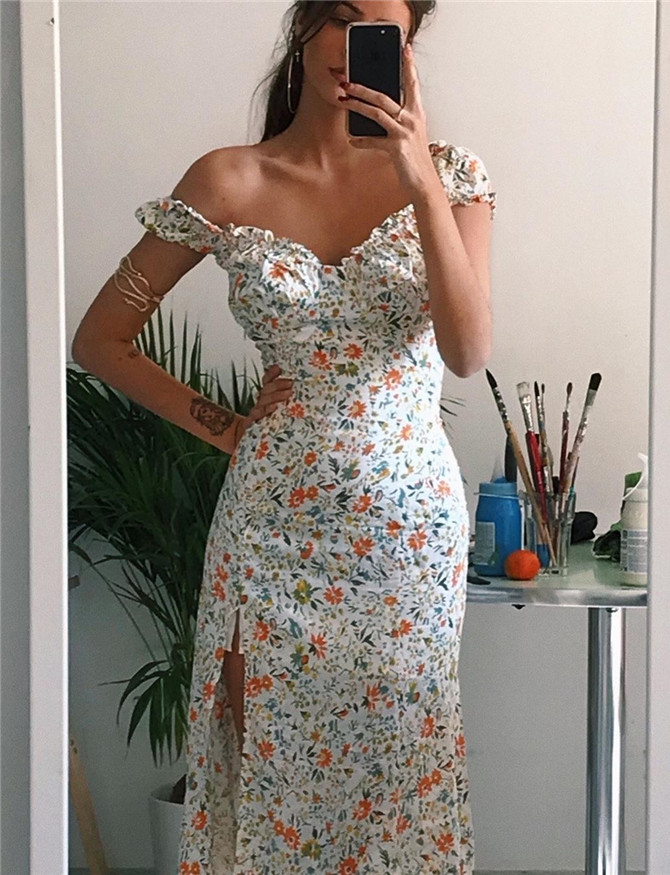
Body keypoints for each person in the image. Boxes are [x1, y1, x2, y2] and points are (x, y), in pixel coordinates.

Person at [72, 1, 497, 872]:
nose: (350, 45)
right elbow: (100, 339)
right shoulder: (228, 181)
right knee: (272, 781)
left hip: (405, 545)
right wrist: (224, 425)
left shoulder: (453, 177)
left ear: (407, 53)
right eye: (338, 16)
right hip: (271, 542)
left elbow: (467, 351)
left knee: (400, 793)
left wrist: (419, 178)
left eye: (380, 30)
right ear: (303, 26)